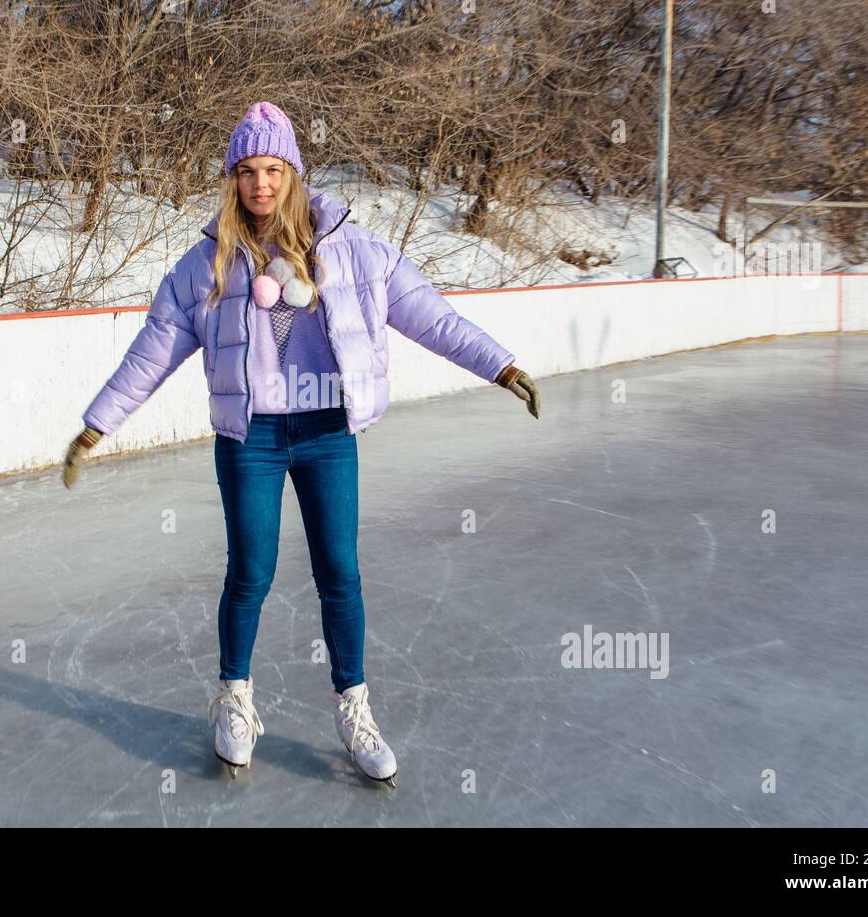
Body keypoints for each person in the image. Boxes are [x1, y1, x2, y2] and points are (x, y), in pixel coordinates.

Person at [62, 102, 540, 786]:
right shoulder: (208, 266)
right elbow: (152, 351)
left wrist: (501, 365)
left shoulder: (355, 250)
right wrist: (96, 424)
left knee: (339, 574)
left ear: (293, 172)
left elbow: (430, 314)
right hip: (250, 437)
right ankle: (234, 700)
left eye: (274, 169)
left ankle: (355, 708)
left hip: (324, 433)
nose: (261, 184)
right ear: (233, 179)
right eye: (248, 171)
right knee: (249, 572)